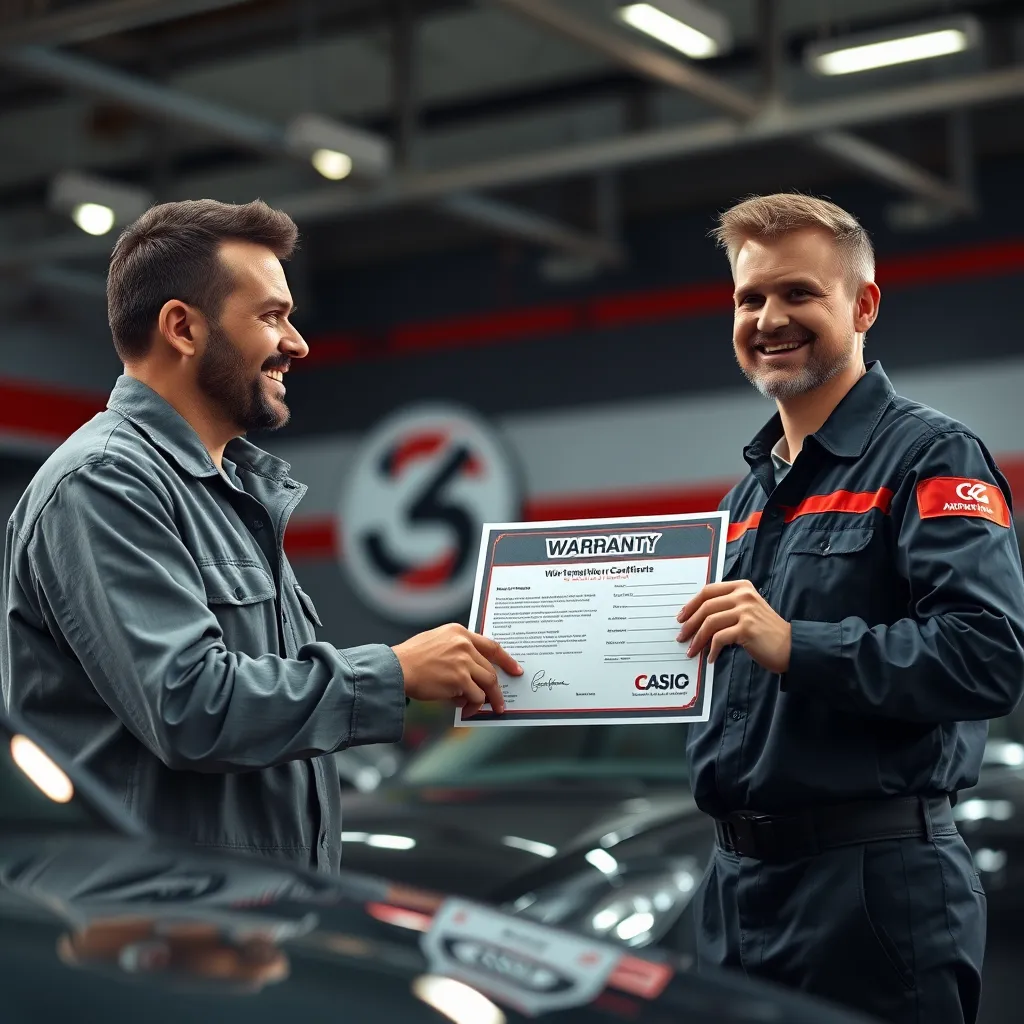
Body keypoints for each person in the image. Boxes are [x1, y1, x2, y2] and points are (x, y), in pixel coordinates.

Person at [0, 198, 521, 873]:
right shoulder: (104, 483)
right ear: (182, 328)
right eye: (271, 316)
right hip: (153, 928)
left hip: (237, 915)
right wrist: (393, 673)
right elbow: (192, 707)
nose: (297, 343)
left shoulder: (228, 494)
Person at [677, 193, 1024, 1024]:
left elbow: (987, 656)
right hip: (735, 891)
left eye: (799, 293)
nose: (769, 318)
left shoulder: (932, 456)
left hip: (871, 893)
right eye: (749, 298)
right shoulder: (744, 501)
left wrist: (797, 643)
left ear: (863, 305)